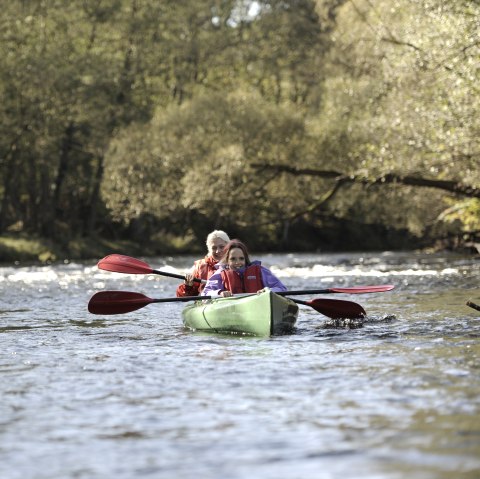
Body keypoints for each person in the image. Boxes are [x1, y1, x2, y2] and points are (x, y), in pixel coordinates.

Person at [201, 239, 287, 297]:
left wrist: (268, 290)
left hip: (258, 305)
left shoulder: (260, 271)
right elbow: (205, 293)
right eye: (233, 259)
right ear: (227, 260)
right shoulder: (220, 274)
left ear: (246, 259)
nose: (237, 262)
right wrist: (219, 293)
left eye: (241, 258)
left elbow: (281, 289)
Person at [176, 230, 230, 297]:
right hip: (209, 303)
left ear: (228, 247)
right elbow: (183, 297)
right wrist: (187, 286)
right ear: (209, 249)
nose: (218, 251)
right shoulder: (201, 266)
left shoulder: (237, 262)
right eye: (214, 248)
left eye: (222, 247)